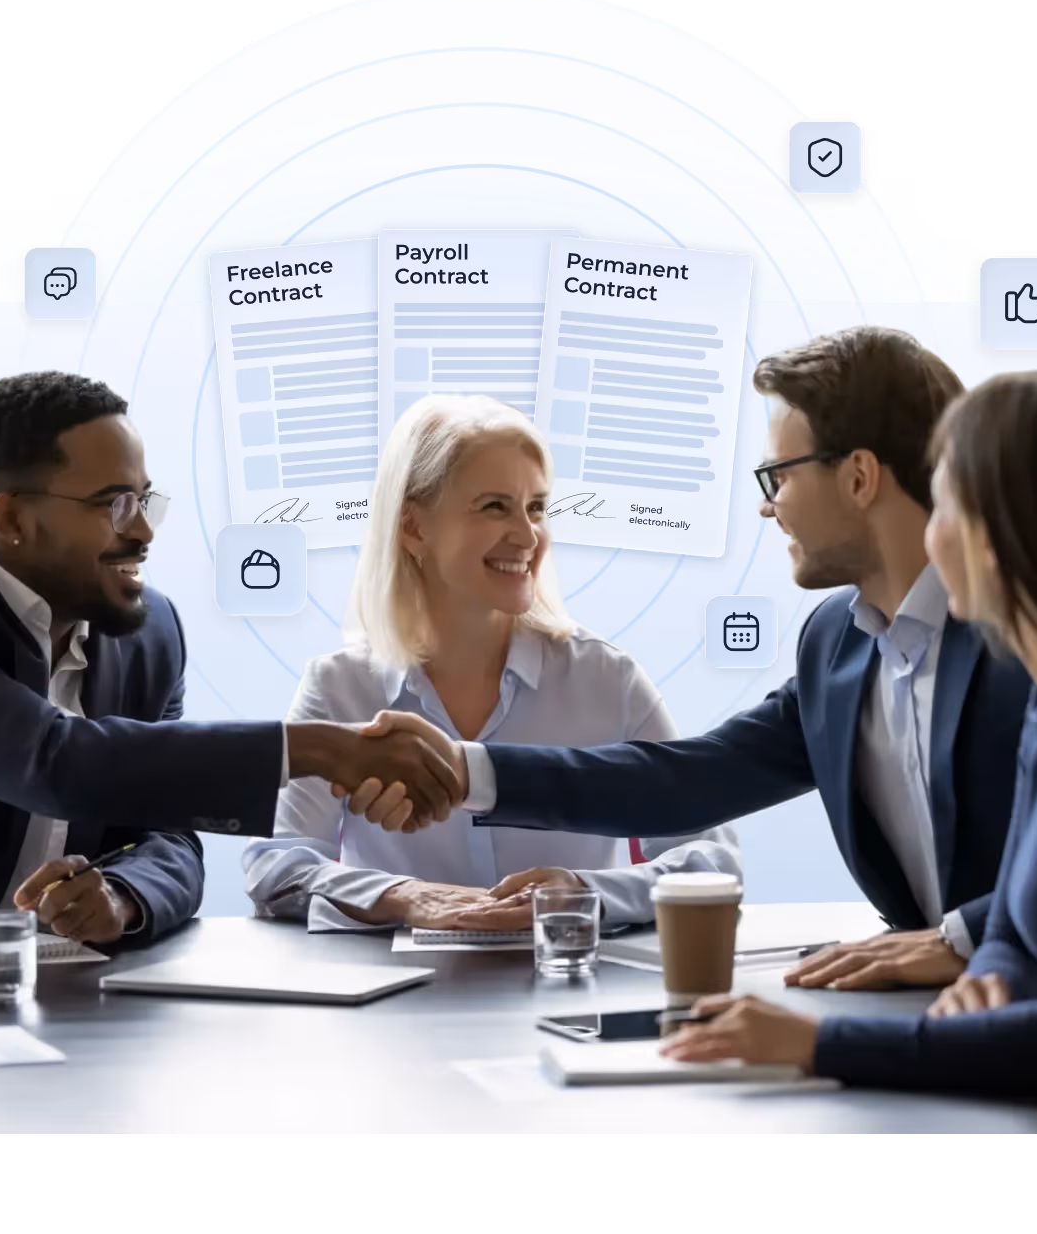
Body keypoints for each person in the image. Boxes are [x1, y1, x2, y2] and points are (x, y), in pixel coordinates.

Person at [345, 327, 1034, 985]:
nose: (770, 508)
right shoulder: (839, 645)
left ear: (858, 478)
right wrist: (461, 769)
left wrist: (961, 938)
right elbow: (686, 779)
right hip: (936, 1020)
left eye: (779, 476)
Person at [0, 373, 462, 943]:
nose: (142, 529)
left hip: (52, 993)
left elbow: (168, 835)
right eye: (113, 504)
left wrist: (120, 896)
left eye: (144, 500)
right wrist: (318, 749)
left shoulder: (149, 633)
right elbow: (52, 760)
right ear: (14, 520)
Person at [660, 372, 1037, 1105]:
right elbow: (1017, 935)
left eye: (947, 503)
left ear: (1009, 528)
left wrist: (813, 1042)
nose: (928, 532)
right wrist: (991, 983)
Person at [243, 395, 742, 932]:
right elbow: (276, 865)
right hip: (396, 1005)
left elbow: (710, 861)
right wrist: (402, 896)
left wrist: (582, 892)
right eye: (494, 507)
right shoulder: (340, 686)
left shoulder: (607, 680)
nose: (528, 537)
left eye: (537, 508)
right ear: (413, 528)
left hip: (567, 990)